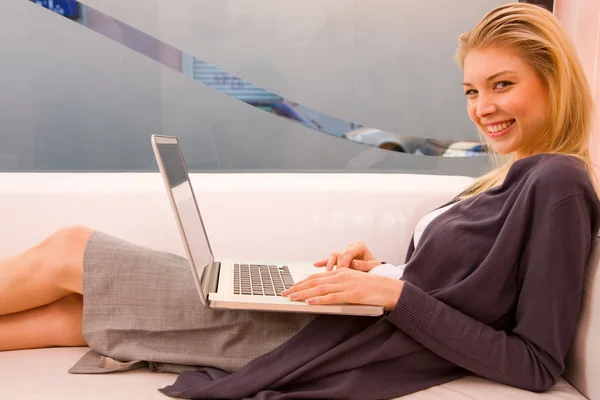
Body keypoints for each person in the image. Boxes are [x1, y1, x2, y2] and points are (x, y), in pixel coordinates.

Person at [1, 2, 600, 399]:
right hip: (343, 319)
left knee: (70, 250)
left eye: (503, 85)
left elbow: (534, 362)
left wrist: (394, 293)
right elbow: (454, 290)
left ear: (555, 82)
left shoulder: (558, 184)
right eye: (472, 89)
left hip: (328, 340)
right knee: (76, 320)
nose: (482, 107)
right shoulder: (513, 176)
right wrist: (383, 272)